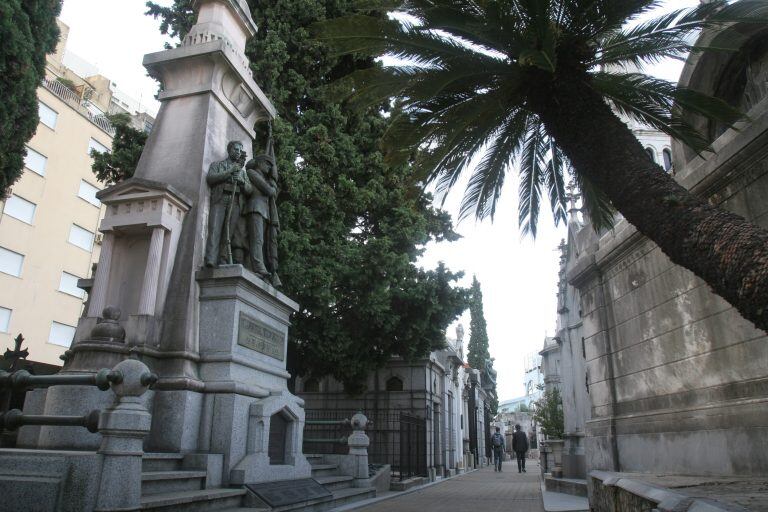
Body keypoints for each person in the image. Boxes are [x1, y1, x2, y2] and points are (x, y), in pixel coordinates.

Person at [205, 141, 249, 267]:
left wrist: (241, 181)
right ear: (229, 150)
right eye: (236, 149)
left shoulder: (242, 172)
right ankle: (211, 259)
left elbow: (249, 189)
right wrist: (229, 172)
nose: (238, 152)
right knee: (214, 229)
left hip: (235, 202)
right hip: (220, 199)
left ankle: (223, 259)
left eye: (240, 151)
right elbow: (211, 178)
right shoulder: (217, 165)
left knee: (228, 233)